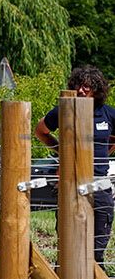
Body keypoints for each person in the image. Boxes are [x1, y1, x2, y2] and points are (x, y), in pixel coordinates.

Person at [36, 65, 115, 265]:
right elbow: (40, 130)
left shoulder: (108, 114)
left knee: (99, 240)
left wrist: (105, 151)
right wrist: (60, 150)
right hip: (70, 182)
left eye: (87, 87)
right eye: (79, 85)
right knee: (69, 243)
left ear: (97, 90)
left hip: (99, 183)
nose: (81, 90)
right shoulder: (63, 110)